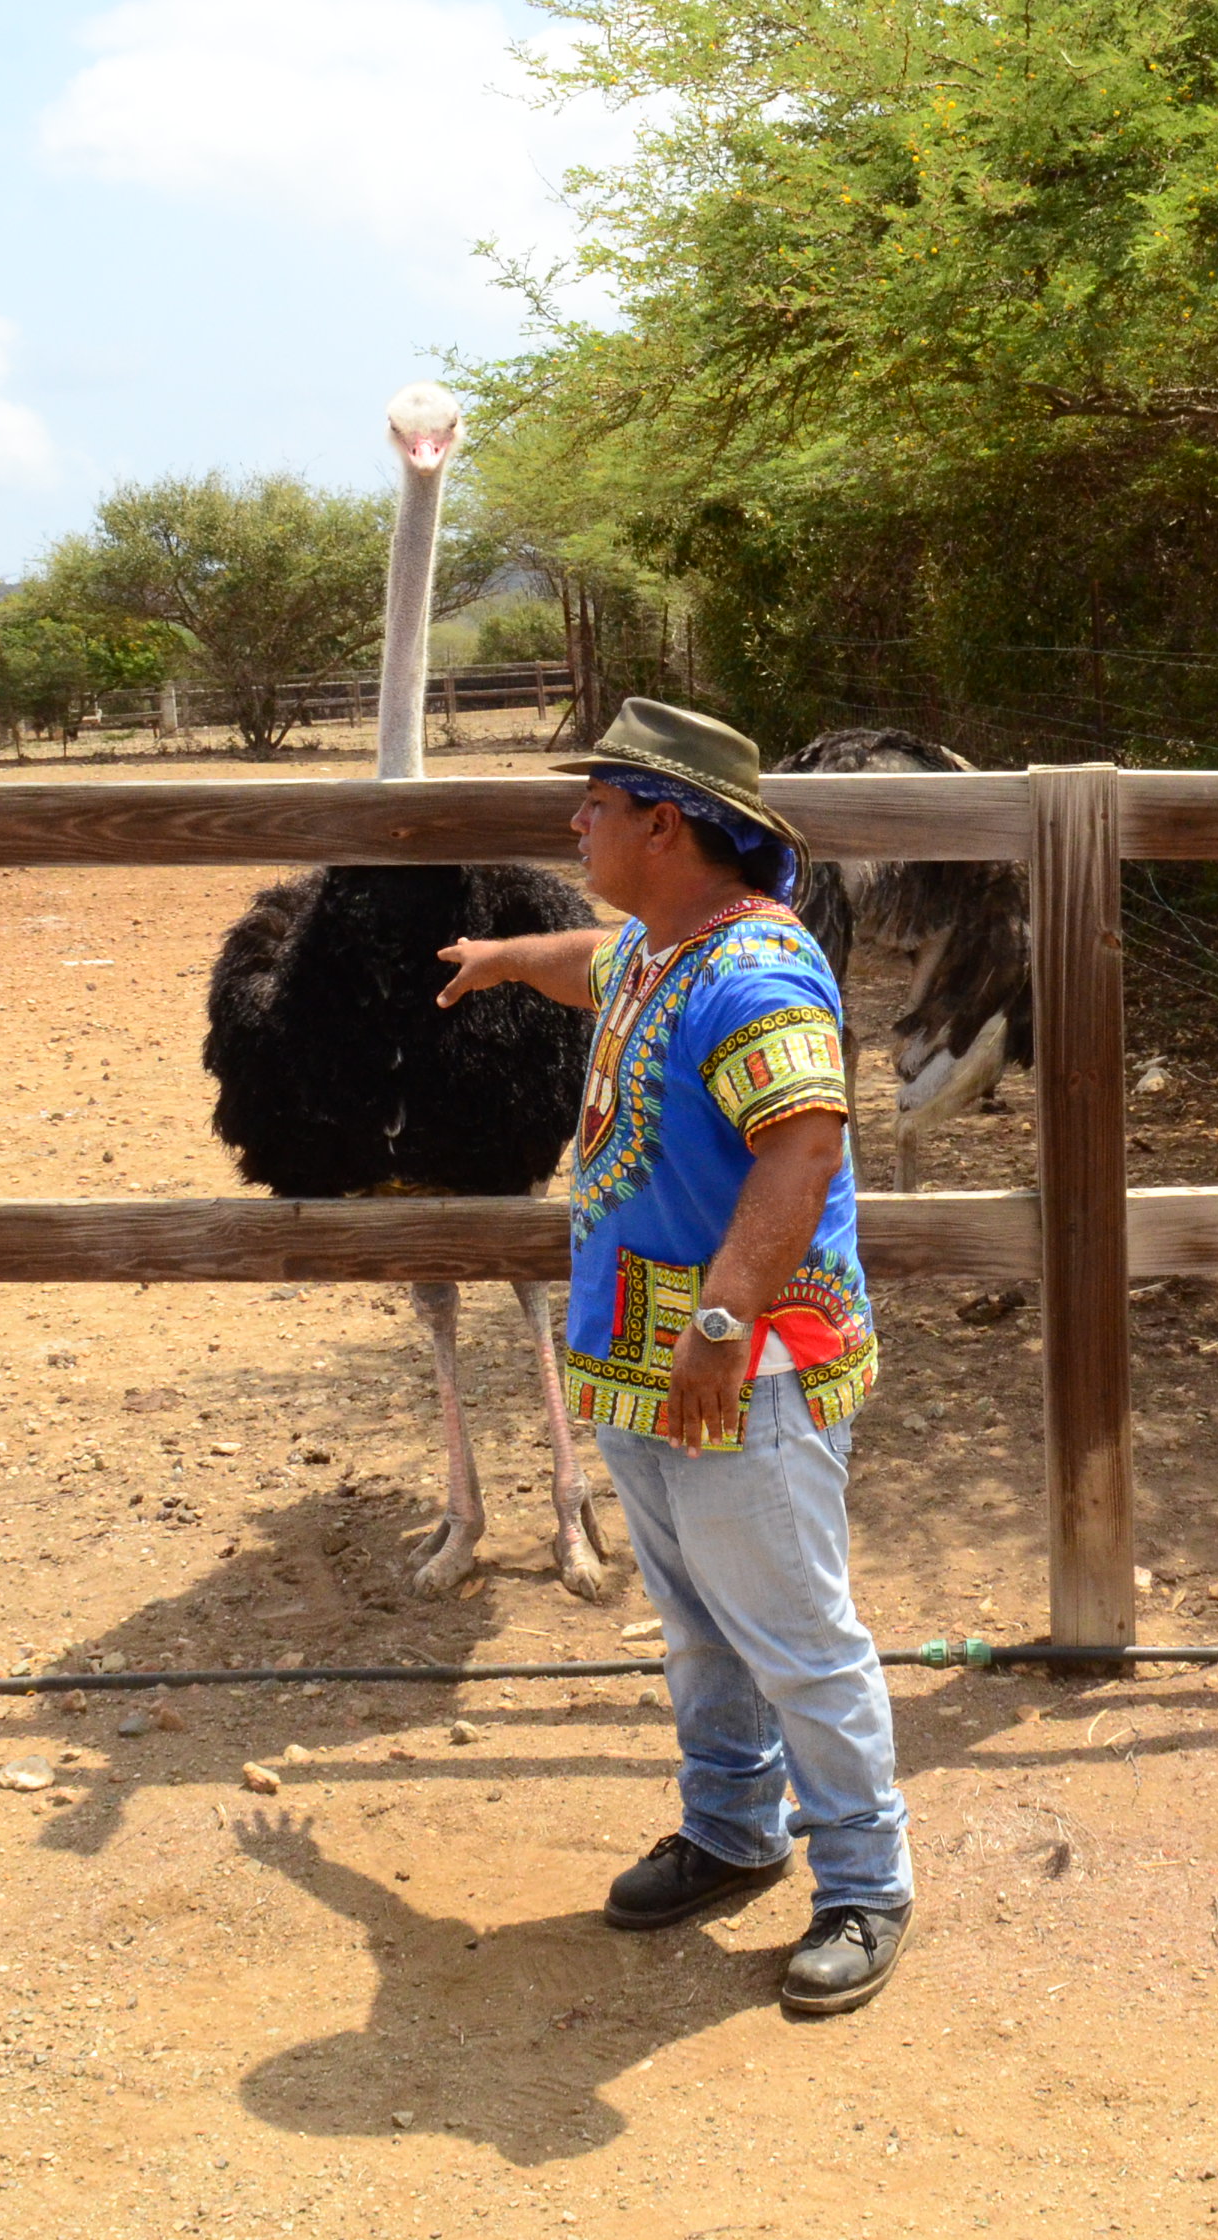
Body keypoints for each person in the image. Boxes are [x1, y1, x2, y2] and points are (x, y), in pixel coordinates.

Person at [432, 697, 914, 2014]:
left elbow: (803, 1147)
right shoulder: (664, 945)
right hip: (647, 1368)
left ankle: (866, 1883)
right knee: (702, 1628)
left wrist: (718, 1324)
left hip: (738, 1369)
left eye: (596, 803)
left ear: (666, 824)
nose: (574, 820)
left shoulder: (755, 978)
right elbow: (596, 961)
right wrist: (506, 953)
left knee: (795, 1631)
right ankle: (731, 1829)